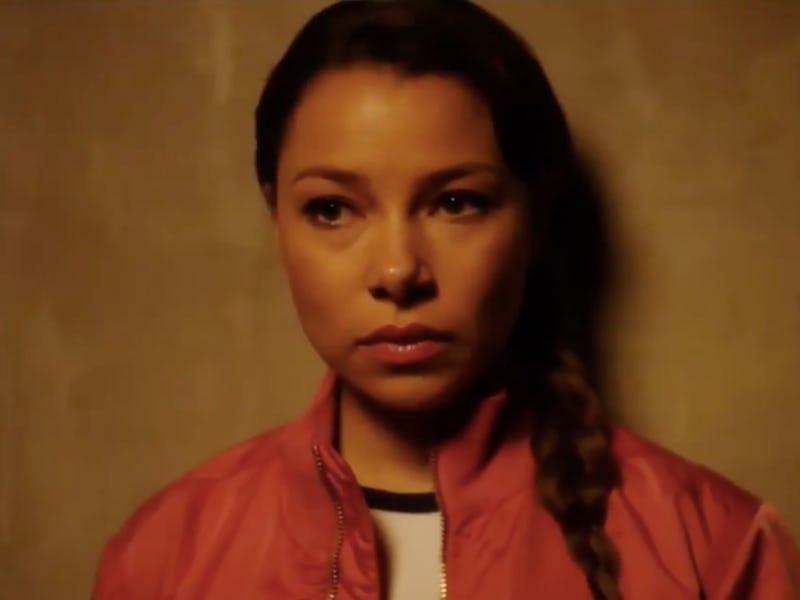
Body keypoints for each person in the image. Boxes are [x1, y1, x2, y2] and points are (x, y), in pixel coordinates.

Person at [92, 1, 800, 598]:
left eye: (456, 203)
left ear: (535, 219)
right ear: (276, 216)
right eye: (333, 209)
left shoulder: (714, 546)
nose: (398, 270)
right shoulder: (167, 557)